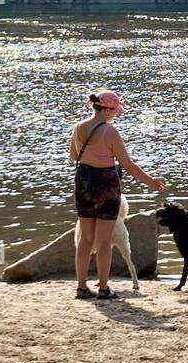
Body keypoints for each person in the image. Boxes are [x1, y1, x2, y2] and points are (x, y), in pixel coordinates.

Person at [69, 89, 164, 300]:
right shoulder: (109, 131)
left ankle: (82, 287)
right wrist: (151, 182)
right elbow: (128, 165)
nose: (116, 115)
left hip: (83, 184)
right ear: (108, 109)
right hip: (106, 186)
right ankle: (103, 288)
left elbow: (74, 155)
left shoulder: (78, 128)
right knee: (103, 241)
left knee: (85, 239)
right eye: (115, 112)